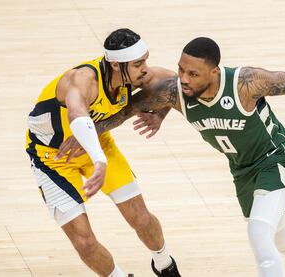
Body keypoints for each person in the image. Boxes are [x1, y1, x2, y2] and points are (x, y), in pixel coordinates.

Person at [57, 37, 285, 276]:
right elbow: (126, 111)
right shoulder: (175, 92)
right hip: (242, 169)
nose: (183, 78)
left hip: (277, 156)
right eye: (181, 70)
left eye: (193, 74)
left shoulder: (245, 84)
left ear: (213, 73)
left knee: (258, 233)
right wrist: (91, 132)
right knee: (278, 238)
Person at [25, 28, 181, 277]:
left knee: (140, 218)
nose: (145, 69)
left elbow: (174, 82)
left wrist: (160, 114)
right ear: (117, 65)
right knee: (84, 243)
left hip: (98, 143)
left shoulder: (136, 76)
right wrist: (99, 161)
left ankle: (164, 264)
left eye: (146, 61)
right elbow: (77, 117)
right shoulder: (82, 80)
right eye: (138, 63)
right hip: (52, 158)